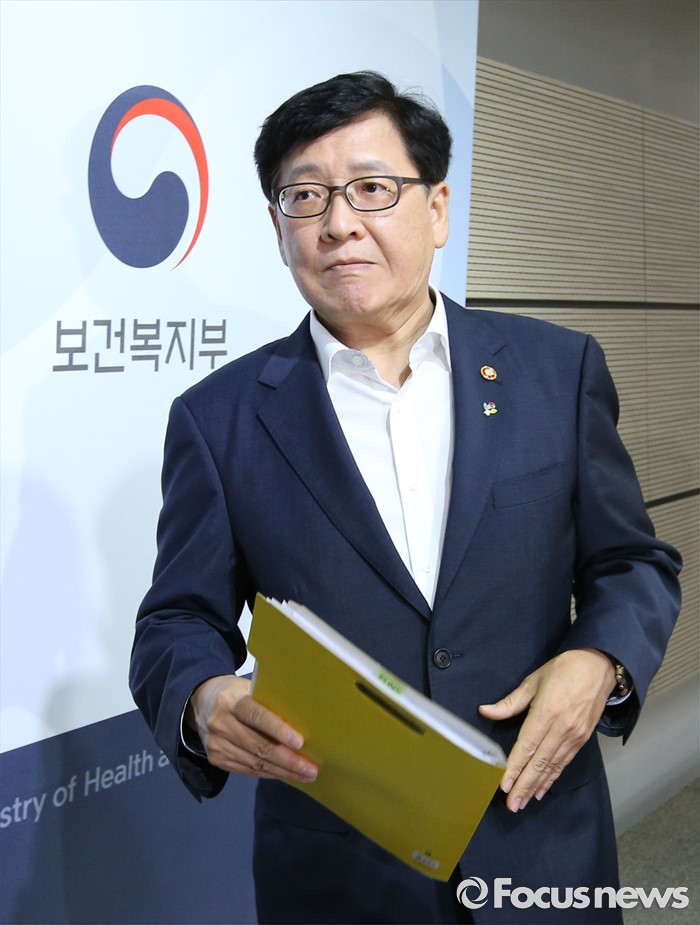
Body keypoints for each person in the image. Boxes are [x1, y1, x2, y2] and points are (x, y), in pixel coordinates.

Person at [129, 71, 681, 924]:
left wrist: (599, 659)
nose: (339, 222)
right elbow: (176, 618)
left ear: (437, 208)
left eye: (372, 188)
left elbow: (632, 562)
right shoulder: (219, 418)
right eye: (305, 196)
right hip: (340, 873)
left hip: (541, 842)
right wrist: (202, 696)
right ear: (278, 229)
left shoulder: (556, 370)